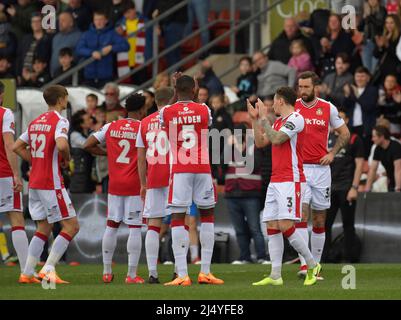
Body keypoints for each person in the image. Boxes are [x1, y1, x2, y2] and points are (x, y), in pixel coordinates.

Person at [248, 88, 321, 286]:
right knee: (271, 225)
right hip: (276, 179)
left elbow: (277, 138)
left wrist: (264, 119)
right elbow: (262, 141)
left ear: (280, 101)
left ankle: (312, 264)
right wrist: (255, 119)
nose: (271, 104)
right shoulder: (279, 121)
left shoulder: (296, 118)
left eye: (273, 100)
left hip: (291, 179)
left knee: (285, 225)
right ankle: (275, 275)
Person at [160, 75, 224, 286]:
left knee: (178, 218)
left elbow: (164, 118)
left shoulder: (167, 111)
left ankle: (182, 274)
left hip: (180, 170)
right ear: (194, 89)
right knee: (207, 216)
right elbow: (200, 114)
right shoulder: (204, 109)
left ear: (176, 89)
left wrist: (175, 93)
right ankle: (205, 271)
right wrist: (191, 93)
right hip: (203, 168)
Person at [13, 85, 79, 284]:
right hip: (52, 183)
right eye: (66, 98)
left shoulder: (35, 122)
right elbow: (61, 144)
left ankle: (27, 272)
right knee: (72, 226)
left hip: (34, 183)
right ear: (60, 100)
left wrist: (35, 161)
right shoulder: (60, 120)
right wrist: (66, 159)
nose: (66, 101)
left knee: (43, 227)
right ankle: (48, 269)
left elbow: (17, 146)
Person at [84, 93, 147, 284]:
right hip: (135, 184)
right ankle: (131, 275)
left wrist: (106, 153)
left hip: (115, 184)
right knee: (135, 227)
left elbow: (87, 144)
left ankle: (106, 271)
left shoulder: (111, 126)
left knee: (111, 226)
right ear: (142, 109)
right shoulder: (142, 127)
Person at [295, 71, 350, 279]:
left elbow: (345, 133)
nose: (303, 91)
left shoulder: (327, 108)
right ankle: (304, 265)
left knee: (319, 220)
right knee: (301, 216)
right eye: (300, 87)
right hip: (300, 170)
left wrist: (332, 153)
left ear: (315, 87)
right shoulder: (294, 107)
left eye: (306, 87)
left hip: (321, 171)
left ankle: (315, 265)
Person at [136, 87, 175, 284]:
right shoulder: (175, 119)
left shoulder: (144, 123)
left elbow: (140, 158)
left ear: (155, 102)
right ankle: (179, 271)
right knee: (179, 222)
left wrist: (143, 183)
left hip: (153, 177)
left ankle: (153, 273)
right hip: (175, 176)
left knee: (153, 225)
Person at [224, 123, 268, 264]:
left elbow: (254, 165)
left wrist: (240, 149)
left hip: (251, 194)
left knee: (255, 228)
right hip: (232, 194)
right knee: (239, 229)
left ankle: (262, 256)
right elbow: (220, 165)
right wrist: (227, 146)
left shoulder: (254, 147)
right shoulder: (229, 149)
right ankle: (244, 257)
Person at [324, 110, 364, 263]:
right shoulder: (327, 139)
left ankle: (350, 259)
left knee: (348, 225)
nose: (337, 121)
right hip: (329, 188)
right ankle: (324, 258)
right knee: (325, 224)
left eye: (341, 117)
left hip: (346, 188)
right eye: (335, 118)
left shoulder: (354, 139)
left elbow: (359, 164)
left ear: (346, 120)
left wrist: (354, 187)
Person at [0, 81, 28, 279]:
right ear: (2, 95)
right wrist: (16, 174)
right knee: (16, 218)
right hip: (3, 173)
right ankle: (26, 271)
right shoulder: (5, 113)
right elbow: (10, 145)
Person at [75, 10, 129, 88]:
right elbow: (79, 49)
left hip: (106, 76)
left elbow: (126, 45)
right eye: (96, 20)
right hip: (88, 76)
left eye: (101, 19)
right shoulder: (86, 34)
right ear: (93, 21)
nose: (98, 22)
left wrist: (111, 48)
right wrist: (91, 53)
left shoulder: (112, 34)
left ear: (106, 20)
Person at [343, 66, 379, 158]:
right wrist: (347, 96)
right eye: (357, 76)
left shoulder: (373, 90)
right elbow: (345, 107)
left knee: (364, 153)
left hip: (365, 127)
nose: (359, 79)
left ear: (368, 78)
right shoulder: (351, 90)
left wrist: (356, 95)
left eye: (362, 76)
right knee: (352, 152)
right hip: (352, 126)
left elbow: (368, 107)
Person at [365, 125, 401, 192]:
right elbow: (372, 170)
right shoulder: (378, 148)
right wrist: (367, 189)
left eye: (374, 136)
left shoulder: (396, 147)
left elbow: (398, 170)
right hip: (392, 180)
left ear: (382, 137)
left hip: (399, 180)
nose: (372, 139)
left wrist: (398, 188)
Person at [16, 13, 52, 79]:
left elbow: (48, 58)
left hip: (40, 76)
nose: (35, 24)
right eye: (33, 22)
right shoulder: (25, 39)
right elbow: (19, 57)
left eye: (38, 21)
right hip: (23, 76)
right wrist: (18, 74)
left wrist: (37, 73)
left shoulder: (48, 39)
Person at [69, 110, 95, 194]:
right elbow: (87, 144)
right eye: (88, 119)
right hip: (79, 180)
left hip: (89, 179)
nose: (91, 120)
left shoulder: (90, 133)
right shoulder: (75, 135)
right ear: (82, 124)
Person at [50, 12, 81, 77]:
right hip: (55, 76)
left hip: (70, 76)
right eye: (59, 20)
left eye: (63, 20)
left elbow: (80, 57)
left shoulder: (79, 36)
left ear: (71, 23)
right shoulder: (56, 37)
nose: (60, 23)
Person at [359, 0, 386, 74]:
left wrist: (369, 16)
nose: (372, 1)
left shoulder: (382, 10)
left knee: (374, 69)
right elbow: (359, 28)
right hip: (366, 43)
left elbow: (381, 25)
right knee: (366, 70)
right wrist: (364, 17)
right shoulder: (365, 11)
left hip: (377, 43)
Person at [373, 14, 401, 85]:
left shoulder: (399, 37)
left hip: (395, 71)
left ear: (396, 23)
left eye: (391, 22)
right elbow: (375, 55)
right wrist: (380, 47)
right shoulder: (384, 35)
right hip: (383, 71)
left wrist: (387, 45)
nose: (389, 25)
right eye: (387, 22)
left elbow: (398, 55)